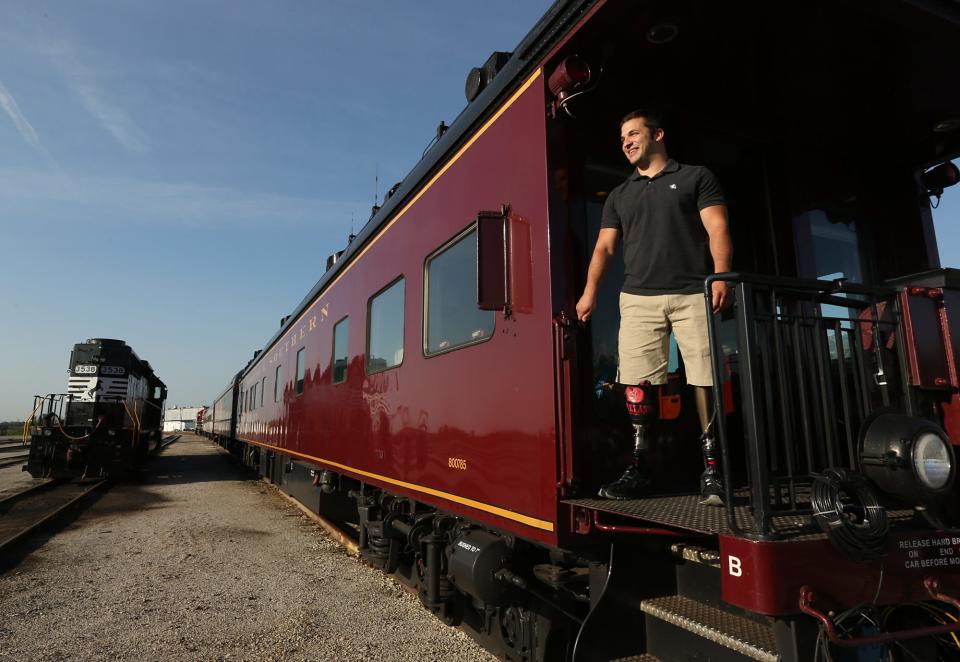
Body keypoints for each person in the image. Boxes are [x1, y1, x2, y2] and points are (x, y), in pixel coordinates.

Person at [576, 109, 733, 505]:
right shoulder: (619, 195)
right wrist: (590, 292)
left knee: (704, 375)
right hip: (638, 298)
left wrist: (722, 275)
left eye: (633, 133)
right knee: (636, 382)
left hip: (692, 293)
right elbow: (605, 248)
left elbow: (717, 227)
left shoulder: (696, 177)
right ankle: (640, 468)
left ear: (658, 134)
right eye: (622, 137)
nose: (626, 141)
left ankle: (714, 471)